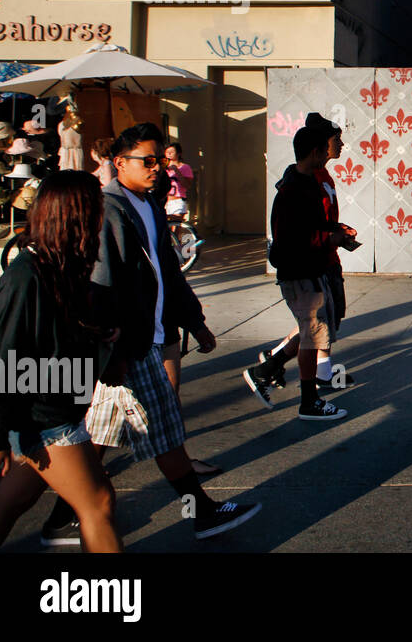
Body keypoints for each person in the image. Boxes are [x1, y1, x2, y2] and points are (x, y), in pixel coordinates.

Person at [43, 122, 260, 544]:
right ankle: (202, 512)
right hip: (129, 344)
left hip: (147, 336)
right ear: (119, 163)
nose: (157, 167)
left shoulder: (148, 205)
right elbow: (102, 283)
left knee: (100, 435)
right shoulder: (109, 208)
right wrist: (116, 343)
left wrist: (194, 320)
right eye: (147, 160)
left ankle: (60, 517)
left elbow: (169, 273)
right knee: (163, 429)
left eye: (160, 160)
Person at [0, 172, 123, 552]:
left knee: (12, 501)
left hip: (56, 407)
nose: (101, 218)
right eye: (95, 210)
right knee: (98, 503)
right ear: (73, 216)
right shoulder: (25, 277)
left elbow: (57, 340)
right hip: (44, 416)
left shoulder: (60, 268)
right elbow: (4, 360)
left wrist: (98, 335)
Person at [243, 124, 349, 420]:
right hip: (301, 274)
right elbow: (292, 240)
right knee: (314, 336)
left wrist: (336, 233)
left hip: (313, 270)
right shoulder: (293, 191)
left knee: (315, 333)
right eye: (332, 143)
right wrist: (329, 239)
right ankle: (308, 400)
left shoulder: (308, 183)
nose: (337, 146)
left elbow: (314, 228)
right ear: (316, 152)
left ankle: (268, 370)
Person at [162, 142, 194, 219]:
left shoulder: (185, 167)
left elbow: (188, 185)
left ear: (178, 153)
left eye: (172, 152)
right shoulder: (163, 167)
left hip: (178, 200)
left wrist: (177, 171)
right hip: (165, 201)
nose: (169, 154)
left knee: (175, 225)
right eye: (167, 152)